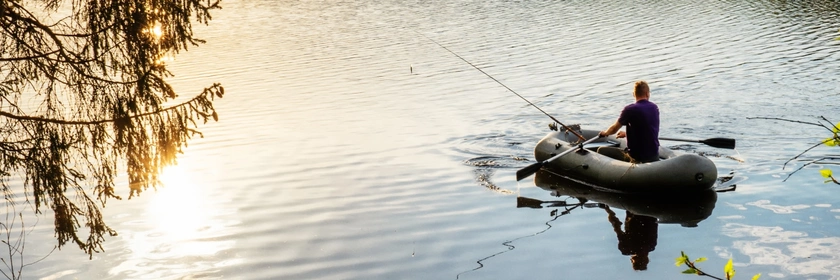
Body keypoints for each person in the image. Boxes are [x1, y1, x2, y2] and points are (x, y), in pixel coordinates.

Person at [598, 80, 660, 163]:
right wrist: (627, 134)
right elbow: (646, 129)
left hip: (638, 157)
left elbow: (614, 129)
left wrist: (605, 133)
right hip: (654, 154)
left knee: (601, 150)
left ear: (634, 94)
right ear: (647, 93)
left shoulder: (629, 109)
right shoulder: (654, 107)